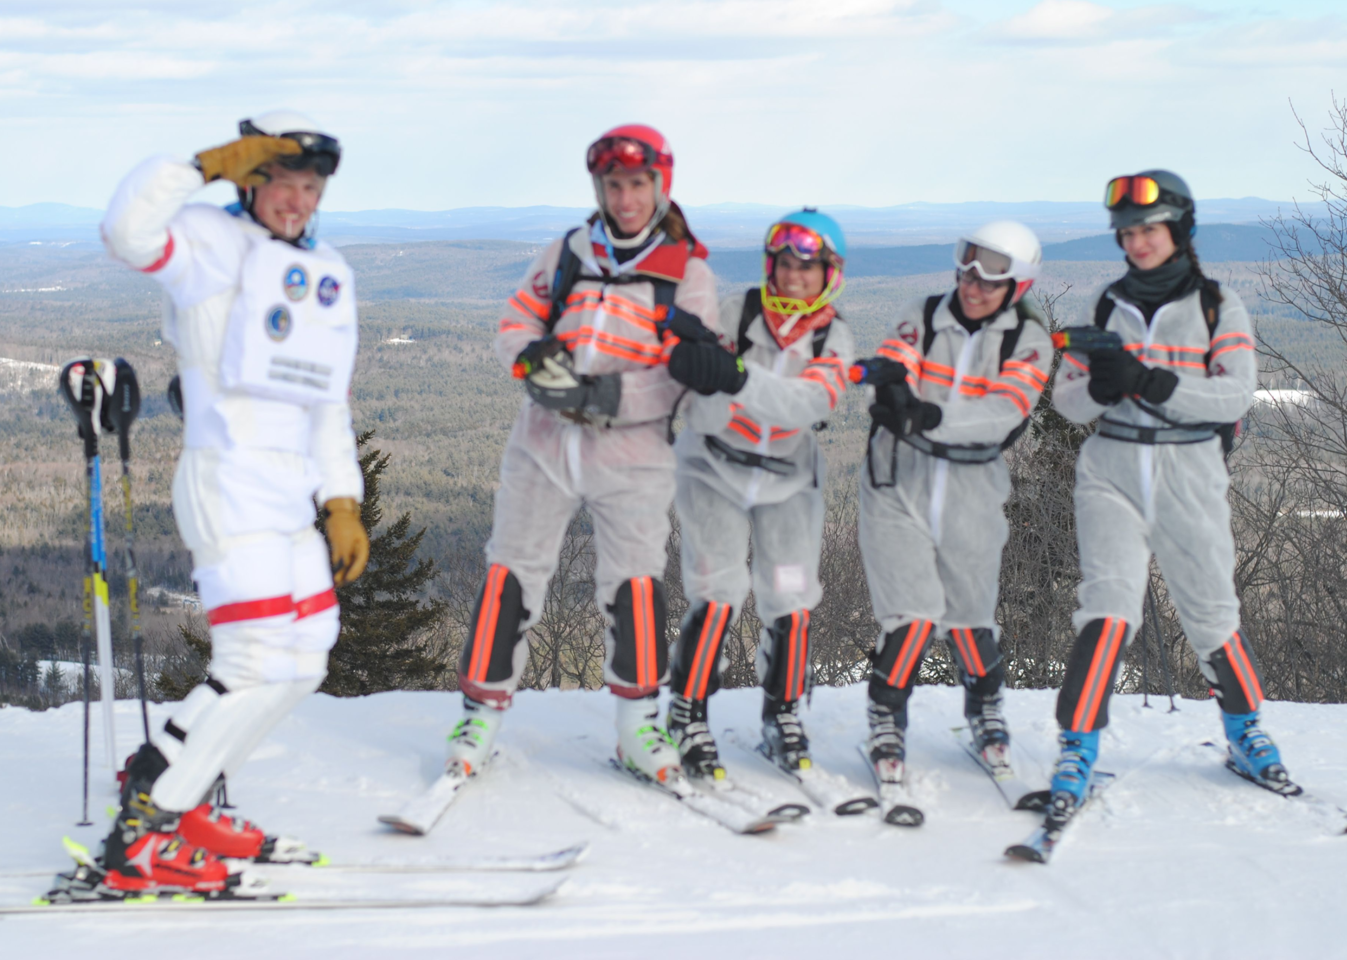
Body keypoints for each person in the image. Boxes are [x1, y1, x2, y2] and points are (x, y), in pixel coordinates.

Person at [95, 111, 369, 892]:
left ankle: (185, 801)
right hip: (227, 480)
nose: (298, 202)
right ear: (253, 178)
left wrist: (341, 499)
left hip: (291, 493)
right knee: (250, 662)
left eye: (311, 188)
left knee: (304, 658)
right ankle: (144, 833)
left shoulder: (327, 271)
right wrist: (201, 165)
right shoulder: (209, 243)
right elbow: (126, 231)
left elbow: (327, 406)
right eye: (284, 182)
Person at [447, 124, 733, 784]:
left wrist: (602, 393)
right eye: (614, 185)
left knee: (633, 581)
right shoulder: (569, 251)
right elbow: (517, 319)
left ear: (660, 186)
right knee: (511, 572)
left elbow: (685, 372)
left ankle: (638, 724)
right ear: (598, 187)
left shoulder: (687, 272)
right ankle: (480, 712)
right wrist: (533, 359)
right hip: (544, 441)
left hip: (632, 451)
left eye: (637, 184)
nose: (626, 198)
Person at [1047, 170, 1289, 816]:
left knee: (1212, 612)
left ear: (1179, 229)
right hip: (1112, 469)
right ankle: (1078, 746)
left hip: (1190, 471)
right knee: (1108, 608)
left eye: (1149, 229)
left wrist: (1149, 382)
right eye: (1127, 232)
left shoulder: (1216, 305)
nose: (1137, 242)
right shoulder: (1106, 304)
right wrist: (1097, 388)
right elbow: (1066, 401)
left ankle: (1244, 732)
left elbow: (1235, 393)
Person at [856, 221, 1051, 789]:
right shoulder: (924, 313)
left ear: (1015, 286)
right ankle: (886, 717)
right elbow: (899, 359)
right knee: (910, 615)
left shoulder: (1027, 341)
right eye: (967, 267)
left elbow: (1006, 409)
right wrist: (893, 388)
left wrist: (933, 414)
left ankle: (984, 707)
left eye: (990, 277)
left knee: (968, 614)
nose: (972, 283)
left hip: (972, 486)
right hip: (899, 479)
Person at [666, 209, 853, 780]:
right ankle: (688, 707)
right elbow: (700, 399)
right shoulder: (736, 313)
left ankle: (784, 707)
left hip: (788, 480)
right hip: (713, 469)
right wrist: (702, 375)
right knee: (718, 589)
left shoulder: (833, 336)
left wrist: (737, 376)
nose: (794, 276)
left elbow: (810, 404)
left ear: (829, 274)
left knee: (790, 594)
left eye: (808, 266)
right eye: (785, 264)